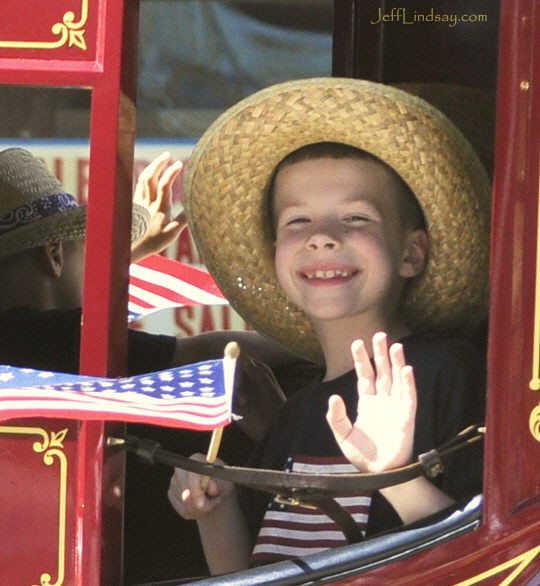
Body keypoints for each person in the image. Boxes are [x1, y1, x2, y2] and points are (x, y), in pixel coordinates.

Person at [167, 78, 489, 574]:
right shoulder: (295, 416)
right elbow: (254, 577)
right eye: (297, 222)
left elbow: (490, 557)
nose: (322, 238)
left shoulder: (446, 372)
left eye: (356, 218)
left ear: (411, 252)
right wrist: (214, 511)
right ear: (275, 251)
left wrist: (394, 476)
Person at [0, 146, 301, 582]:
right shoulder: (59, 339)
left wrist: (129, 251)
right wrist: (316, 338)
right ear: (53, 255)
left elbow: (70, 297)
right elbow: (220, 356)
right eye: (83, 251)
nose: (94, 264)